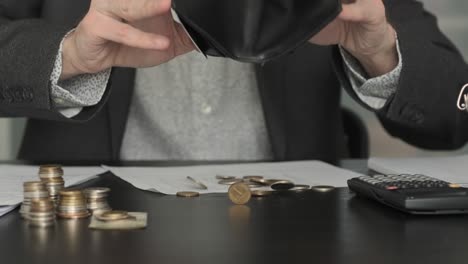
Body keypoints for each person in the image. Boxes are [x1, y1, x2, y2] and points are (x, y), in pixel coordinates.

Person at [0, 0, 467, 163]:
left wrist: (380, 50)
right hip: (82, 231)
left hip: (297, 236)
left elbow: (453, 116)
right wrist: (71, 55)